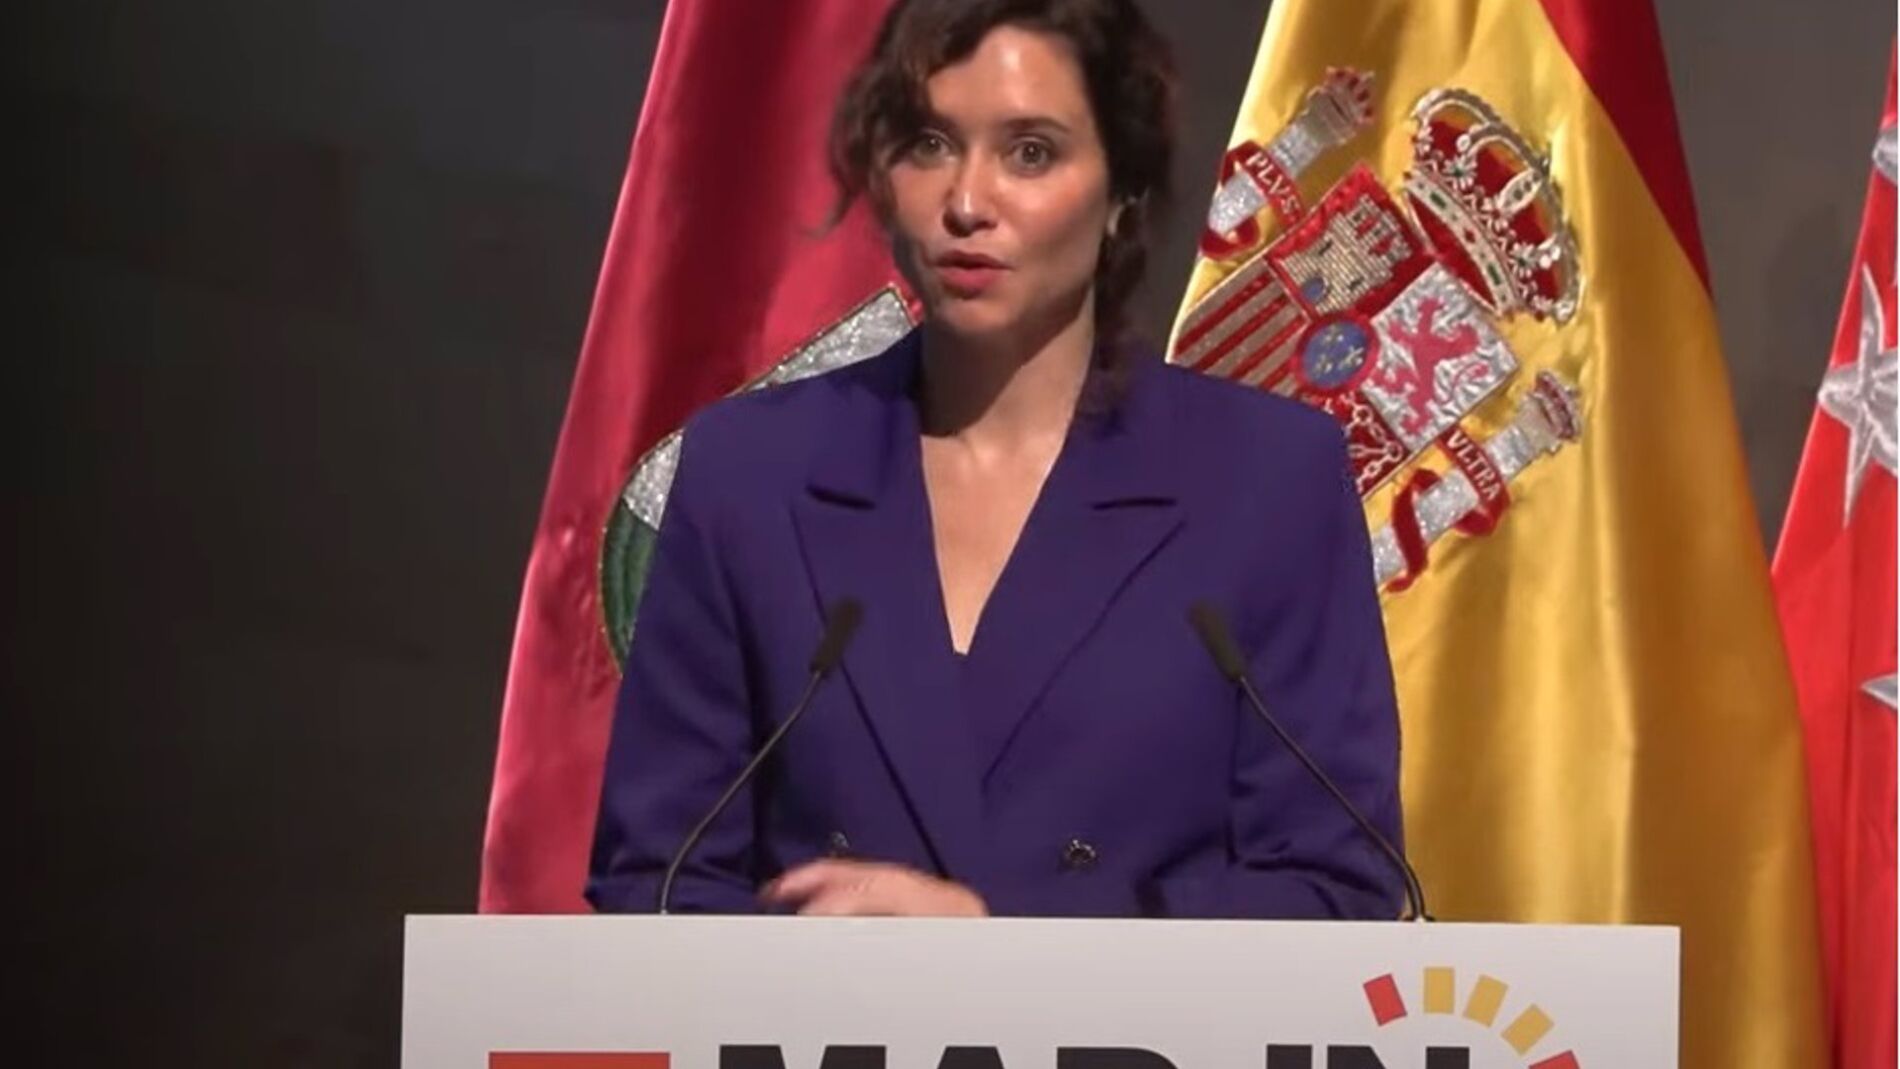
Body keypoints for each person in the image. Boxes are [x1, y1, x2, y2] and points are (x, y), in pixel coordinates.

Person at [586, 0, 1405, 919]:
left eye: (1031, 153)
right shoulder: (748, 473)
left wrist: (992, 937)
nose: (967, 203)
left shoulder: (1268, 482)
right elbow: (656, 882)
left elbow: (1334, 890)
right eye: (929, 144)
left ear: (1122, 192)